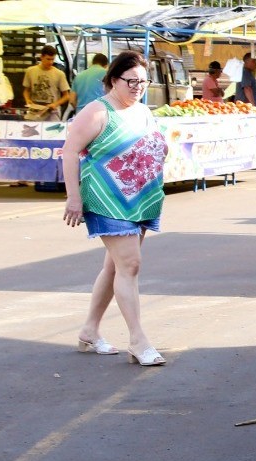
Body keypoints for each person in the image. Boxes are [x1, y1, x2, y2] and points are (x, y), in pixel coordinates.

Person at [59, 51, 169, 366]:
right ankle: (138, 340)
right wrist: (73, 197)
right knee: (130, 265)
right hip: (107, 198)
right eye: (130, 81)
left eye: (143, 82)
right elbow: (69, 152)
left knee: (115, 267)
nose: (137, 87)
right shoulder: (98, 111)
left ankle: (90, 330)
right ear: (113, 79)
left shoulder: (143, 111)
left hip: (142, 198)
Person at [22, 45, 72, 122]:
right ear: (41, 57)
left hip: (52, 112)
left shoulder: (59, 74)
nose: (50, 62)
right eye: (48, 59)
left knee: (52, 133)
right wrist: (27, 100)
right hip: (34, 111)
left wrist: (55, 104)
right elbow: (26, 90)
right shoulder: (30, 71)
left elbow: (66, 96)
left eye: (52, 59)